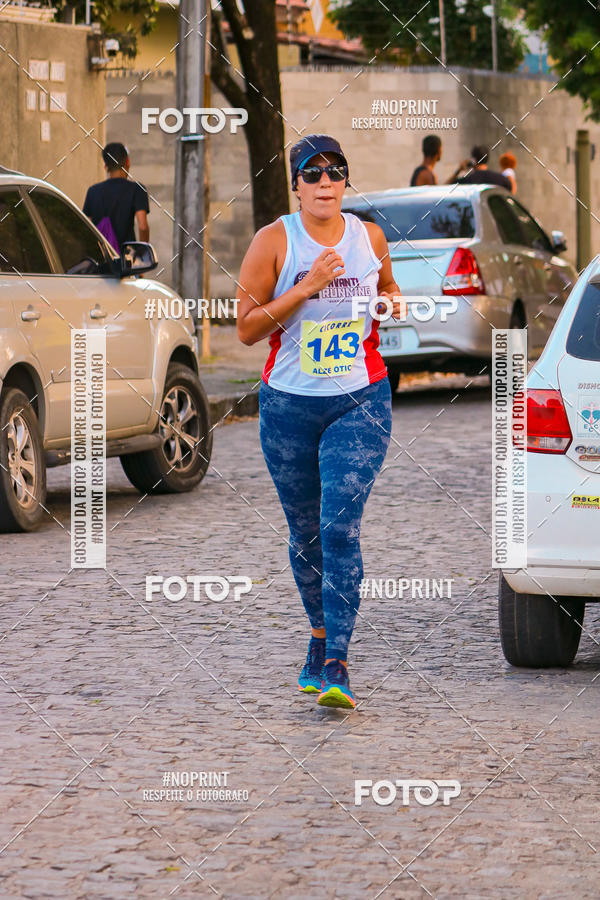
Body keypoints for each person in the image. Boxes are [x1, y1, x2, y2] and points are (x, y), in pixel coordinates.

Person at [236, 134, 402, 710]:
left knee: (338, 526)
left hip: (359, 399)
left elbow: (386, 288)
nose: (325, 183)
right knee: (305, 533)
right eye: (313, 174)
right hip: (287, 404)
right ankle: (317, 634)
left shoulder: (369, 237)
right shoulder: (273, 241)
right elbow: (247, 327)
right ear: (297, 186)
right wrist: (307, 288)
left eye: (336, 172)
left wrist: (393, 300)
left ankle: (338, 664)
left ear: (345, 182)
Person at [83, 142, 150, 252]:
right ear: (127, 162)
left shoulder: (93, 191)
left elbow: (86, 227)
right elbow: (142, 226)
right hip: (125, 260)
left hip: (101, 260)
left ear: (106, 167)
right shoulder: (137, 189)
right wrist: (143, 253)